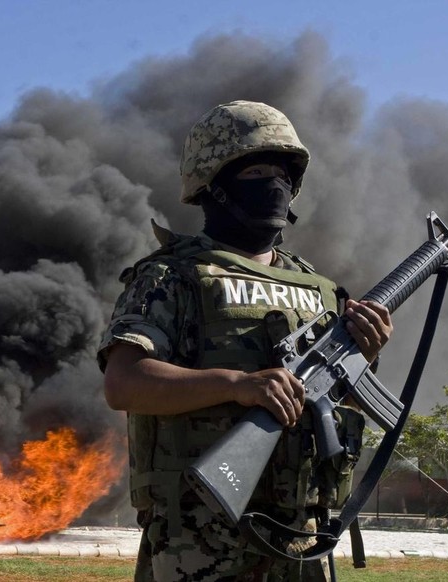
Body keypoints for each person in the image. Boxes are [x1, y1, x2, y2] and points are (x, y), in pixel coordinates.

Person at [97, 101, 393, 582]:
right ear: (212, 183)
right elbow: (124, 382)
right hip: (201, 537)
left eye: (283, 173)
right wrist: (236, 384)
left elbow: (339, 405)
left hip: (303, 536)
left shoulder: (318, 290)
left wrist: (365, 355)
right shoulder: (173, 276)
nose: (274, 186)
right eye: (257, 170)